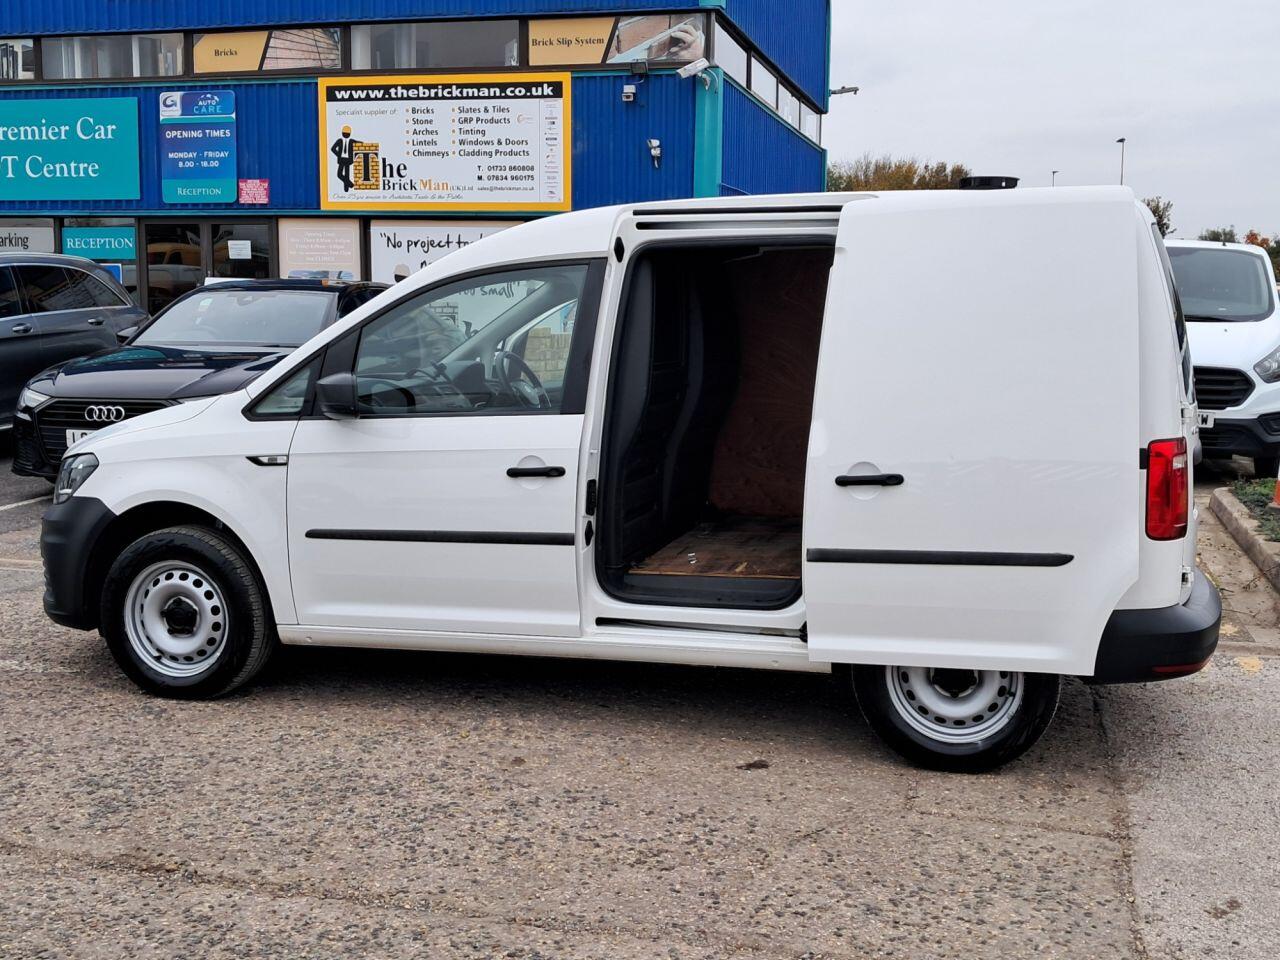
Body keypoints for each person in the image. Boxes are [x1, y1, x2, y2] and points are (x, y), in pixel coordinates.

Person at [331, 125, 355, 192]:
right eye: (345, 133)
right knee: (339, 174)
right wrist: (339, 155)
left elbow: (359, 143)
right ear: (342, 133)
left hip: (348, 160)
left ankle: (346, 190)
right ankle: (351, 184)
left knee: (347, 175)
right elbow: (333, 148)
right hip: (341, 159)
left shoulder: (351, 141)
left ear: (350, 134)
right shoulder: (340, 140)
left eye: (347, 133)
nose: (346, 135)